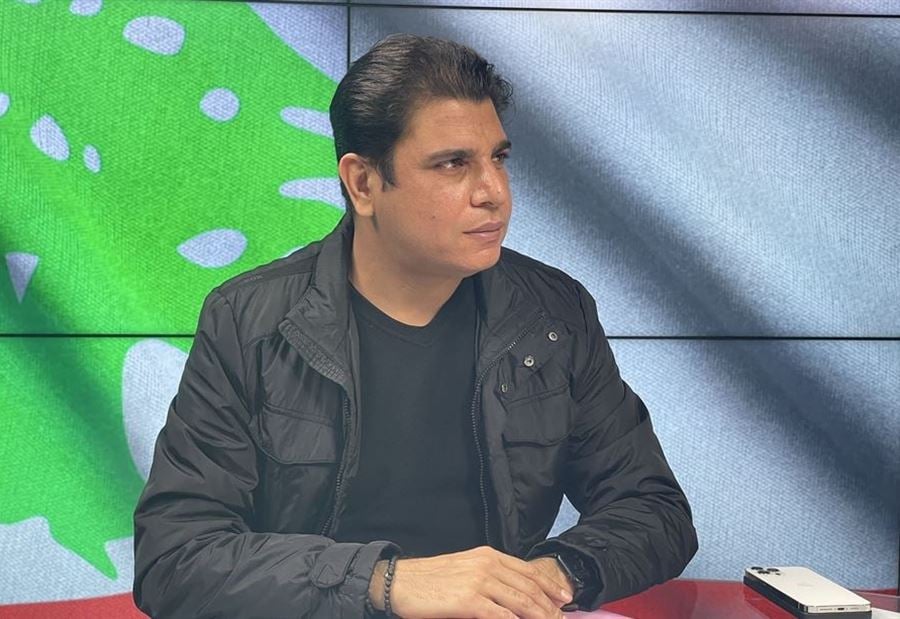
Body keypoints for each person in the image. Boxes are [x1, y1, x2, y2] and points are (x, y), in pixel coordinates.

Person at [133, 34, 697, 619]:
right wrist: (385, 582)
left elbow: (654, 510)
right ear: (363, 183)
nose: (494, 193)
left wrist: (545, 579)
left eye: (498, 158)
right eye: (453, 164)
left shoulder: (553, 314)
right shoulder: (248, 321)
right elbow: (176, 559)